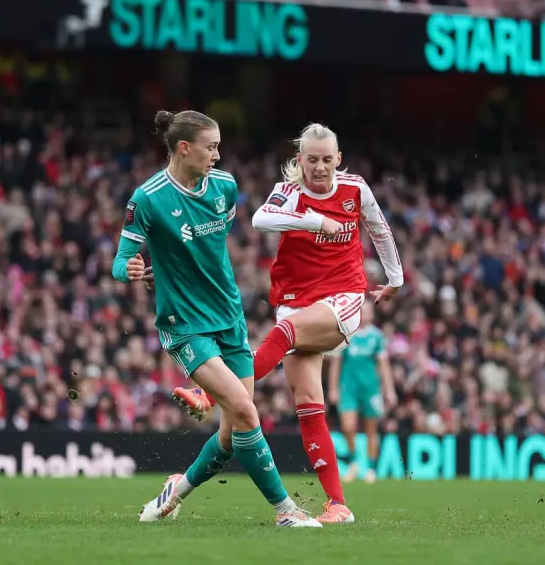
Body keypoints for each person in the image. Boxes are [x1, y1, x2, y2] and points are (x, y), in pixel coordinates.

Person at [173, 123, 404, 524]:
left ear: (339, 159)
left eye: (327, 160)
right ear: (300, 160)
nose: (319, 168)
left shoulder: (355, 189)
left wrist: (395, 278)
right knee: (309, 407)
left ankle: (210, 395)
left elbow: (379, 229)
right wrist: (315, 222)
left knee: (284, 333)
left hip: (343, 297)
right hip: (296, 299)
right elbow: (262, 219)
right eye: (311, 160)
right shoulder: (288, 192)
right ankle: (338, 504)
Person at [112, 110, 321, 528]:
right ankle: (286, 511)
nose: (218, 154)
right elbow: (120, 262)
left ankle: (175, 491)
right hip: (186, 323)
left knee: (230, 435)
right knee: (245, 411)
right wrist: (133, 270)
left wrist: (173, 268)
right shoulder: (149, 198)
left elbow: (206, 252)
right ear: (184, 148)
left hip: (229, 317)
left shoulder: (225, 186)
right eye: (211, 147)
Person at [328, 300, 397, 484]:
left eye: (367, 310)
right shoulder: (346, 334)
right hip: (348, 387)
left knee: (371, 430)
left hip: (371, 388)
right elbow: (336, 363)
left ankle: (371, 469)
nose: (365, 313)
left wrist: (389, 390)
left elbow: (384, 365)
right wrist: (333, 388)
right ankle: (353, 461)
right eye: (362, 310)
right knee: (348, 426)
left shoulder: (377, 337)